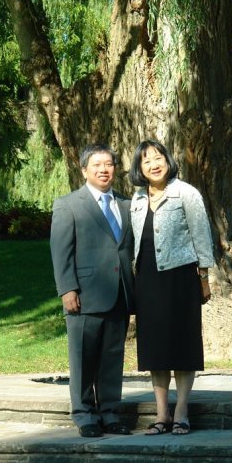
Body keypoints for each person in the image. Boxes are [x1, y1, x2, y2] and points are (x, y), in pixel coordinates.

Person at [129, 139, 214, 435]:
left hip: (181, 279)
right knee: (155, 348)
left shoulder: (186, 193)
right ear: (139, 168)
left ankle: (181, 411)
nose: (154, 164)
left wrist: (204, 279)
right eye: (146, 160)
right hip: (148, 279)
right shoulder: (137, 198)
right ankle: (161, 414)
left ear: (168, 159)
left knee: (183, 345)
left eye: (158, 157)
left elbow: (202, 236)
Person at [50, 143, 135, 437]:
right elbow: (61, 251)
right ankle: (84, 414)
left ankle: (110, 412)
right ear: (84, 169)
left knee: (112, 358)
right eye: (97, 165)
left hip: (120, 292)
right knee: (83, 357)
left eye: (109, 164)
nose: (103, 170)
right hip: (84, 295)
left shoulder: (126, 204)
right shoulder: (68, 204)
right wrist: (67, 289)